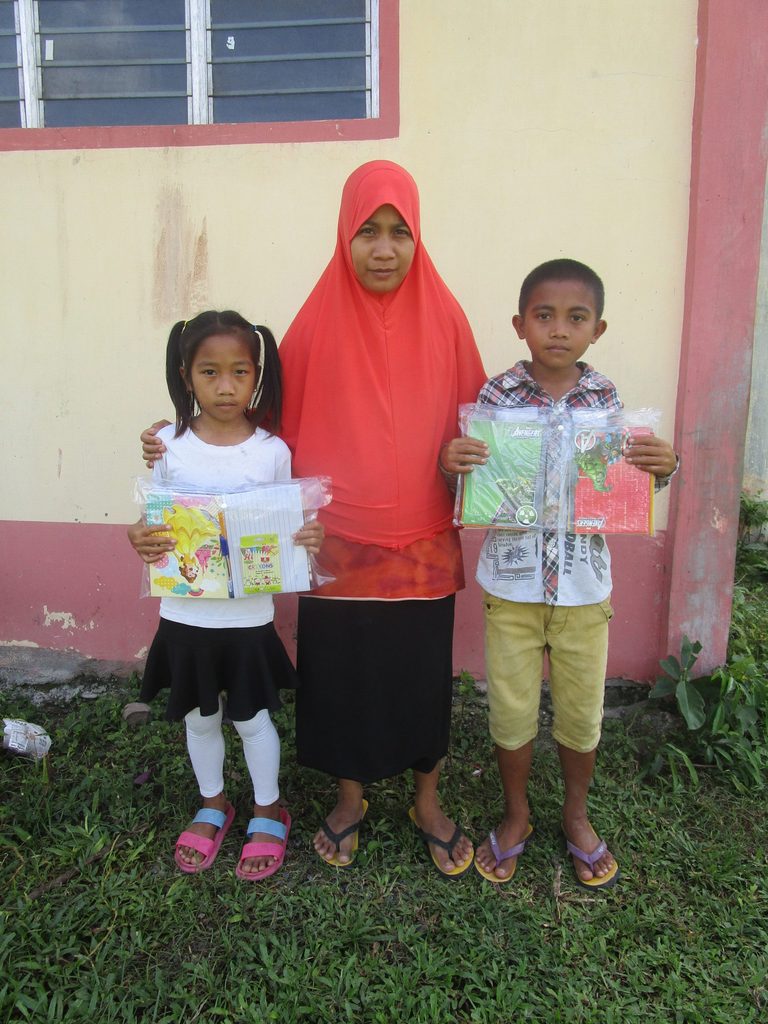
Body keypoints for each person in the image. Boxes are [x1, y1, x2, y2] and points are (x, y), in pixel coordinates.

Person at [138, 162, 487, 876]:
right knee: (343, 675)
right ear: (344, 236)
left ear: (418, 239)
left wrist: (465, 451)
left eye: (399, 232)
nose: (383, 249)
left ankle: (427, 800)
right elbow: (245, 423)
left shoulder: (448, 319)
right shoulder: (315, 321)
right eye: (367, 232)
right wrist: (171, 438)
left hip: (421, 539)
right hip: (332, 542)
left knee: (421, 673)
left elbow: (480, 422)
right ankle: (350, 798)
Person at [442, 259, 678, 888]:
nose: (558, 330)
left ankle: (575, 814)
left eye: (576, 318)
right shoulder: (494, 398)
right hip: (512, 588)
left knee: (580, 714)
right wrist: (452, 463)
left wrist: (661, 466)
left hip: (582, 588)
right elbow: (469, 485)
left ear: (597, 329)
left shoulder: (605, 400)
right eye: (544, 316)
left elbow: (625, 479)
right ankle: (517, 814)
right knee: (512, 711)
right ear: (520, 324)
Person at [128, 310, 323, 879]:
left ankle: (268, 807)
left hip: (247, 618)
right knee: (199, 716)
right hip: (183, 613)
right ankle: (213, 801)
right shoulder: (166, 444)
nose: (225, 386)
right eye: (209, 372)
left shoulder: (271, 451)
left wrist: (308, 536)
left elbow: (292, 524)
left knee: (251, 717)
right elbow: (151, 519)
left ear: (257, 375)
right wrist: (137, 535)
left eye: (240, 372)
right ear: (186, 375)